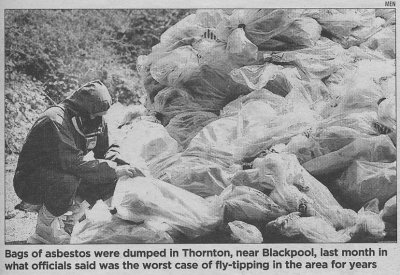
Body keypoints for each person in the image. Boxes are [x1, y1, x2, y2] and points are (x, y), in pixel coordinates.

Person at [13, 80, 141, 244]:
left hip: (64, 172)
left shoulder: (95, 117)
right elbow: (73, 163)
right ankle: (44, 230)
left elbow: (106, 151)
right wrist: (113, 169)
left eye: (101, 116)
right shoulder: (54, 120)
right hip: (31, 181)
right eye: (94, 115)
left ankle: (73, 217)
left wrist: (124, 164)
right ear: (81, 109)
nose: (97, 119)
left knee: (110, 176)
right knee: (69, 180)